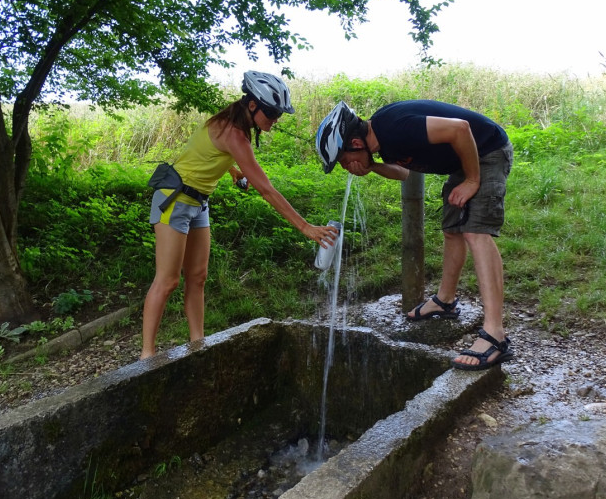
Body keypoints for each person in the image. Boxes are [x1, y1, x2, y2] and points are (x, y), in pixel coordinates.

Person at [140, 71, 338, 359]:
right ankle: (146, 356)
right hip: (174, 200)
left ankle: (198, 345)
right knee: (168, 280)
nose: (275, 119)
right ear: (253, 106)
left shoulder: (233, 124)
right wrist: (305, 227)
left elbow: (205, 153)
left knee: (198, 276)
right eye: (271, 112)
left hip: (198, 202)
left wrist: (233, 171)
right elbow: (266, 189)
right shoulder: (234, 133)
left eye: (279, 113)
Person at [315, 99, 514, 370]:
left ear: (356, 144)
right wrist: (372, 167)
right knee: (452, 231)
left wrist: (472, 181)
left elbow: (460, 129)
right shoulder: (382, 143)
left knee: (475, 232)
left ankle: (495, 336)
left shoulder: (395, 128)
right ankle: (445, 301)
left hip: (487, 151)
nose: (345, 166)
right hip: (463, 159)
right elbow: (403, 173)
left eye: (342, 160)